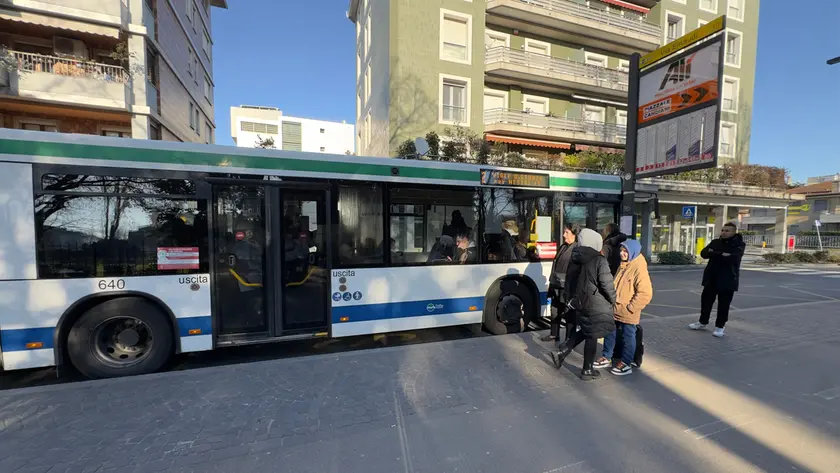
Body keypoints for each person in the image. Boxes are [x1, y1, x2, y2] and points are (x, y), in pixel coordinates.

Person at [551, 228, 617, 380]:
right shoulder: (599, 260)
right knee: (592, 335)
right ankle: (587, 369)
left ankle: (563, 351)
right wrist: (613, 299)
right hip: (596, 302)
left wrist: (571, 300)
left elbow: (570, 281)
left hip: (580, 302)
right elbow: (607, 284)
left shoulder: (575, 258)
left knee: (586, 330)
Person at [593, 239, 652, 376]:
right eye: (621, 250)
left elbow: (645, 293)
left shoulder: (638, 268)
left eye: (625, 251)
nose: (622, 253)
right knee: (609, 332)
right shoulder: (624, 264)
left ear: (632, 252)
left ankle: (626, 362)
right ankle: (607, 356)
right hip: (615, 308)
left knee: (628, 337)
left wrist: (631, 308)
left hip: (628, 311)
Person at [689, 222, 745, 337]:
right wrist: (721, 254)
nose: (724, 232)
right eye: (723, 230)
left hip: (728, 279)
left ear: (734, 232)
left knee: (723, 305)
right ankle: (702, 322)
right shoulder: (715, 242)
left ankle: (720, 326)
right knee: (706, 302)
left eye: (727, 231)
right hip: (711, 277)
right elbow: (704, 253)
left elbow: (733, 258)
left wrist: (713, 253)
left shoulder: (739, 244)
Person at [541, 223, 580, 342]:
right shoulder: (563, 247)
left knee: (568, 314)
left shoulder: (577, 249)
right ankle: (554, 334)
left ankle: (569, 339)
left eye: (567, 232)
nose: (563, 235)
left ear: (574, 234)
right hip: (556, 284)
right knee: (554, 310)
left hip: (567, 287)